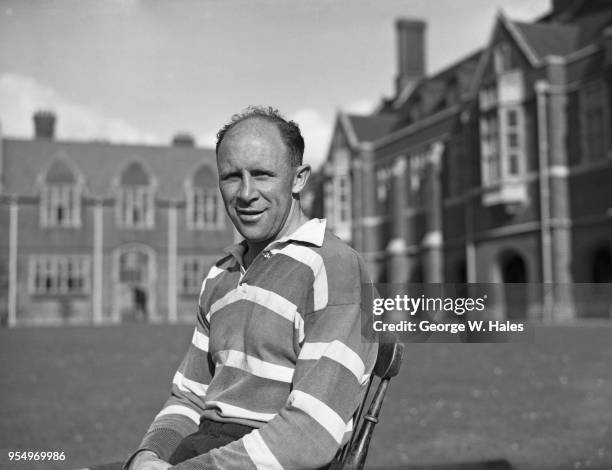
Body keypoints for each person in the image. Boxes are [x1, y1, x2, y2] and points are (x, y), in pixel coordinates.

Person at [124, 106, 378, 470]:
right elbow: (189, 396)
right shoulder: (221, 274)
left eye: (261, 175)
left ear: (298, 179)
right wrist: (148, 456)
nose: (245, 193)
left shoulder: (334, 267)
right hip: (200, 452)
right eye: (231, 176)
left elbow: (311, 433)